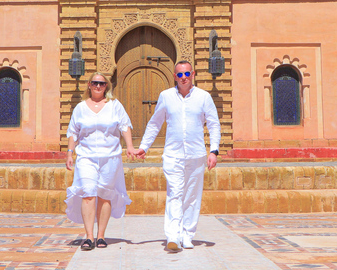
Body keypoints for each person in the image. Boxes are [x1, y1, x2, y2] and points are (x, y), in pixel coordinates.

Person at [134, 60, 221, 252]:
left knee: (191, 196)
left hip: (196, 155)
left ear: (193, 74)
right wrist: (144, 147)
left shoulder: (204, 97)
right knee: (175, 193)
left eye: (187, 74)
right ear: (174, 76)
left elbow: (214, 124)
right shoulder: (166, 96)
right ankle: (173, 236)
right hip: (173, 155)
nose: (184, 78)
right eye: (180, 74)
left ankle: (187, 235)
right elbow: (155, 123)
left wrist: (214, 151)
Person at [65, 72, 136, 251]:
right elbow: (73, 132)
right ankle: (89, 237)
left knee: (105, 195)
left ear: (107, 87)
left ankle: (101, 235)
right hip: (86, 157)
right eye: (95, 83)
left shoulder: (114, 105)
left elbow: (124, 125)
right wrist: (69, 153)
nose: (98, 86)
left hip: (110, 156)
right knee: (88, 193)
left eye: (102, 84)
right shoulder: (80, 107)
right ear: (89, 85)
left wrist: (130, 146)